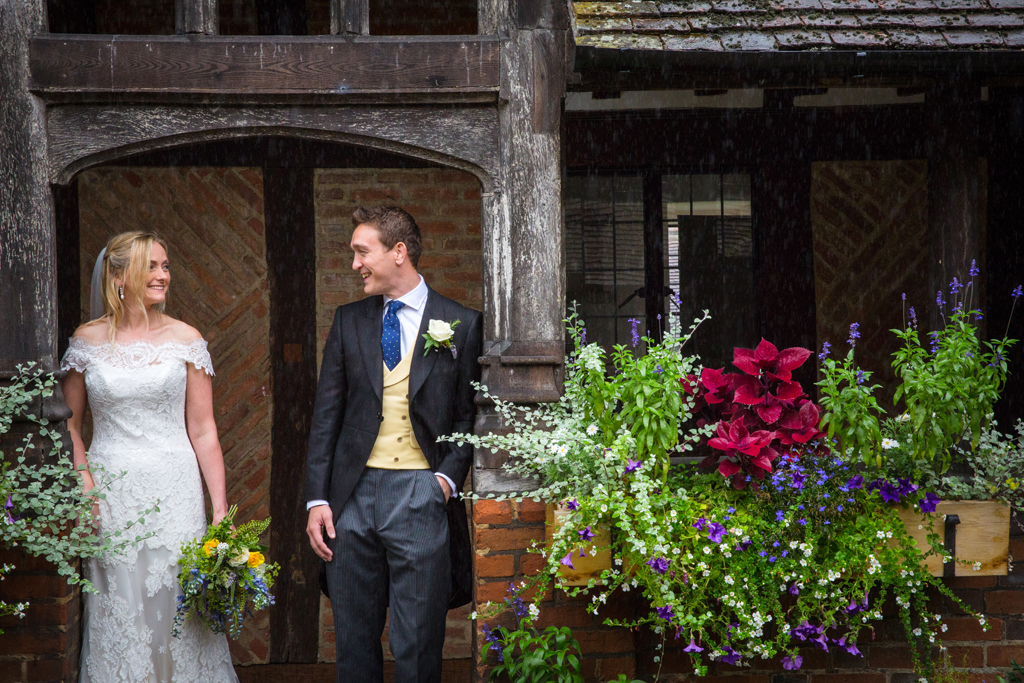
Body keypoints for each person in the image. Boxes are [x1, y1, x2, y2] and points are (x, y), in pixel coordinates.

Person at [305, 206, 481, 683]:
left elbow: (467, 416)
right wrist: (318, 499)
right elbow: (326, 416)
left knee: (418, 645)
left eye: (363, 252)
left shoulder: (461, 323)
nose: (355, 264)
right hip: (351, 498)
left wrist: (443, 481)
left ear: (398, 252)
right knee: (353, 644)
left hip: (421, 495)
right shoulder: (348, 321)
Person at [62, 231, 238, 683]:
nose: (163, 275)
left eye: (166, 266)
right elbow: (70, 426)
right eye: (151, 266)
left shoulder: (186, 339)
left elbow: (203, 429)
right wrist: (85, 486)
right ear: (118, 276)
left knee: (178, 606)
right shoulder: (86, 341)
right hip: (112, 494)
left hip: (175, 490)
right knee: (120, 606)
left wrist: (220, 509)